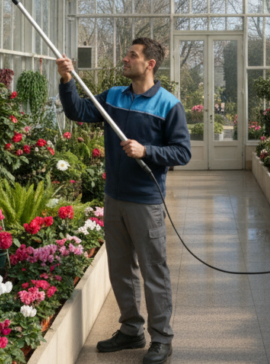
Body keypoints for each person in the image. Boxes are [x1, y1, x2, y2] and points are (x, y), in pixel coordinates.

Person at [56, 37, 190, 364]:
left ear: (150, 64)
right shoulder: (114, 96)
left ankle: (162, 339)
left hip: (146, 201)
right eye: (127, 53)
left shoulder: (168, 105)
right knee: (121, 270)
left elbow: (183, 151)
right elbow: (78, 111)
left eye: (133, 55)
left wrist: (148, 151)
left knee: (153, 271)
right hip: (114, 198)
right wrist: (66, 80)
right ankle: (131, 329)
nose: (125, 58)